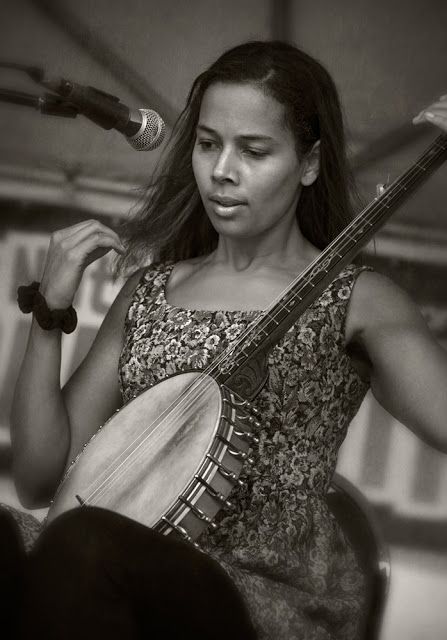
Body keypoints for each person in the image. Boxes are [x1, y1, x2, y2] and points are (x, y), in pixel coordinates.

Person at [3, 40, 447, 640]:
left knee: (86, 546)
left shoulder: (357, 299)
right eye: (208, 144)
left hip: (256, 598)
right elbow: (36, 480)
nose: (221, 171)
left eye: (254, 151)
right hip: (107, 563)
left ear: (309, 163)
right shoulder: (149, 291)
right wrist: (49, 313)